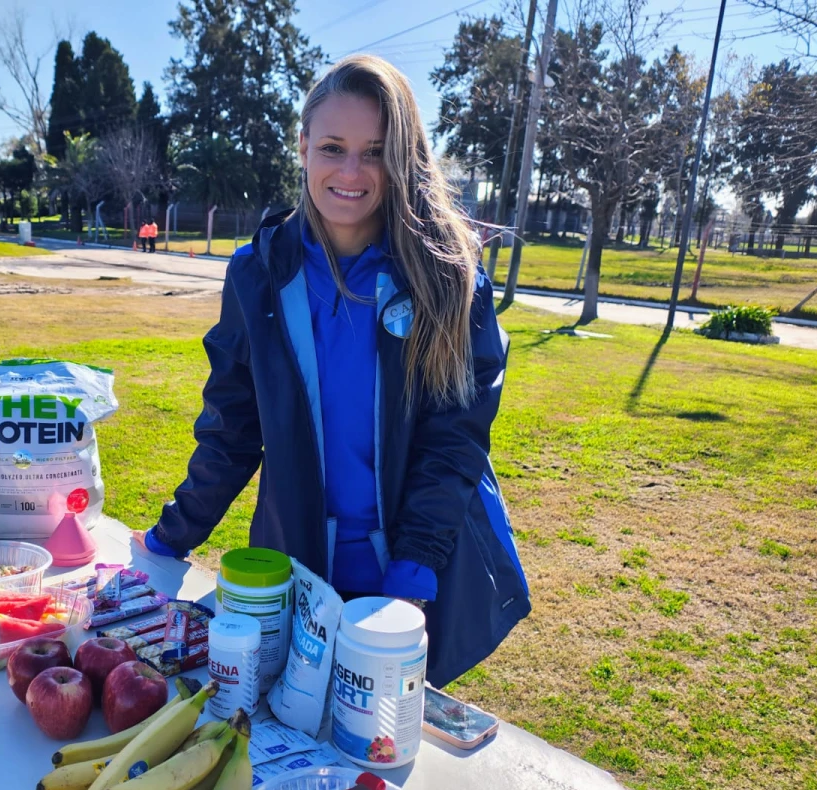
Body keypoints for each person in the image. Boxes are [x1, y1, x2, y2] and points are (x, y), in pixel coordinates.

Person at [132, 54, 530, 688]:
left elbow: (453, 444)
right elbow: (232, 428)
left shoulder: (451, 278)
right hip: (293, 578)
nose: (350, 172)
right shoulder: (257, 273)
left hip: (405, 583)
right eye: (333, 148)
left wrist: (408, 583)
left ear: (403, 160)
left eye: (375, 152)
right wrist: (170, 536)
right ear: (303, 147)